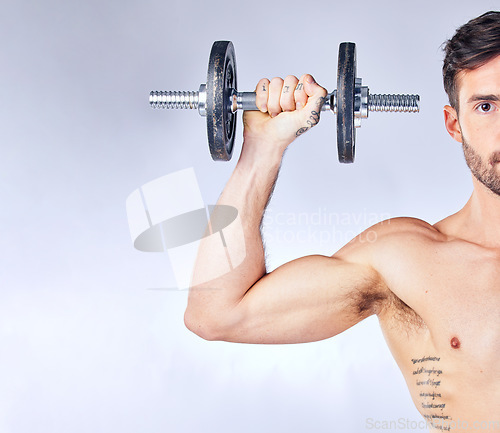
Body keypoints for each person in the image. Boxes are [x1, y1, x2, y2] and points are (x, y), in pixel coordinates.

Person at [184, 11, 500, 432]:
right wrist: (262, 149)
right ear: (454, 124)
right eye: (486, 106)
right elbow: (216, 314)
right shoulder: (405, 259)